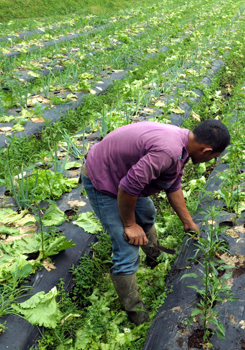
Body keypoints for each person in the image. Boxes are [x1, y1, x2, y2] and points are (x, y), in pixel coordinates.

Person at [81, 120, 230, 325]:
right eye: (213, 157)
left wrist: (187, 222)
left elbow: (172, 183)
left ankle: (154, 257)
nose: (210, 161)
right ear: (206, 150)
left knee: (148, 212)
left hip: (124, 175)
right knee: (127, 246)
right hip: (105, 180)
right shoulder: (167, 151)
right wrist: (130, 225)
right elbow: (127, 188)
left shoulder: (184, 143)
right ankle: (135, 312)